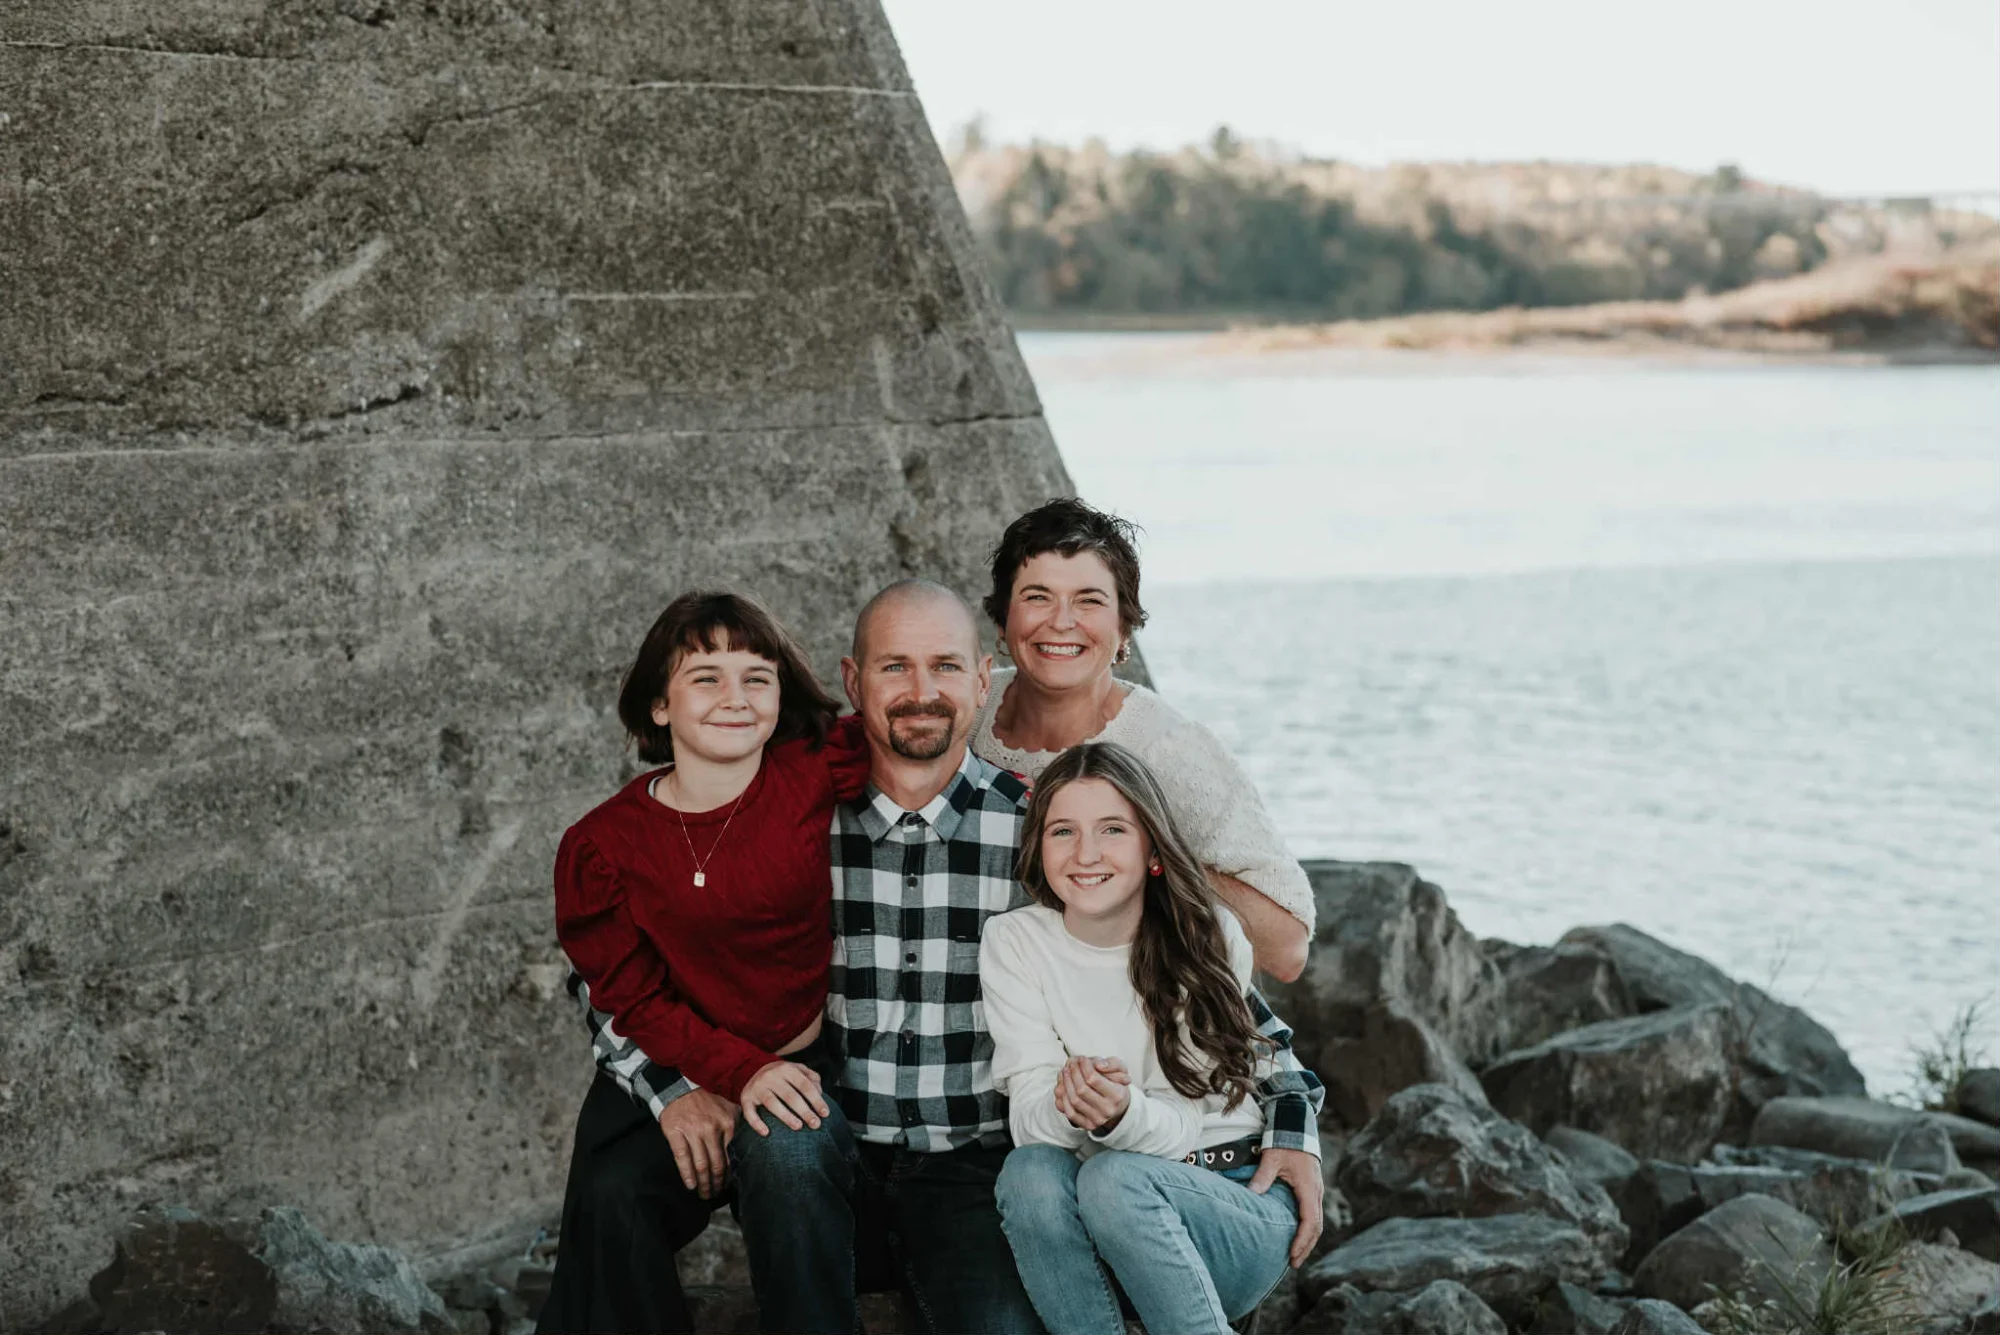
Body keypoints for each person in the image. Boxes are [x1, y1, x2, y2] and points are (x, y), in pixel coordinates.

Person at [581, 580, 1325, 1331]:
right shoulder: (792, 822)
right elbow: (620, 970)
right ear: (852, 682)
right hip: (830, 1158)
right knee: (783, 1137)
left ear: (981, 679)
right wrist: (674, 1089)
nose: (920, 690)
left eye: (943, 666)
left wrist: (1295, 1130)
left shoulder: (1047, 833)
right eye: (894, 667)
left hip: (978, 1172)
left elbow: (1203, 982)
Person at [537, 591, 870, 1334]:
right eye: (705, 677)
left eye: (758, 676)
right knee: (613, 1205)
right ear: (659, 704)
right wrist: (704, 1082)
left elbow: (916, 715)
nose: (736, 697)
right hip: (676, 1061)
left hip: (798, 1061)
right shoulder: (601, 845)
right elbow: (630, 998)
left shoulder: (814, 769)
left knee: (792, 1155)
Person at [982, 741, 1324, 1335]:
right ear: (1037, 849)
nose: (1086, 854)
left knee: (1116, 1177)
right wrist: (1076, 1103)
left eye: (1113, 829)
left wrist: (1118, 1116)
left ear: (1152, 849)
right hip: (1106, 1212)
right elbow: (1030, 1120)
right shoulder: (1015, 942)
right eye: (1062, 831)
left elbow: (1183, 1122)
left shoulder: (1206, 936)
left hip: (1232, 1196)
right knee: (1029, 1172)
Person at [971, 497, 1316, 983]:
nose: (1061, 621)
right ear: (1003, 621)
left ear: (1124, 627)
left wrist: (1149, 853)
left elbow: (1287, 950)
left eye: (1089, 600)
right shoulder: (968, 714)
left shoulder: (1167, 747)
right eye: (1037, 597)